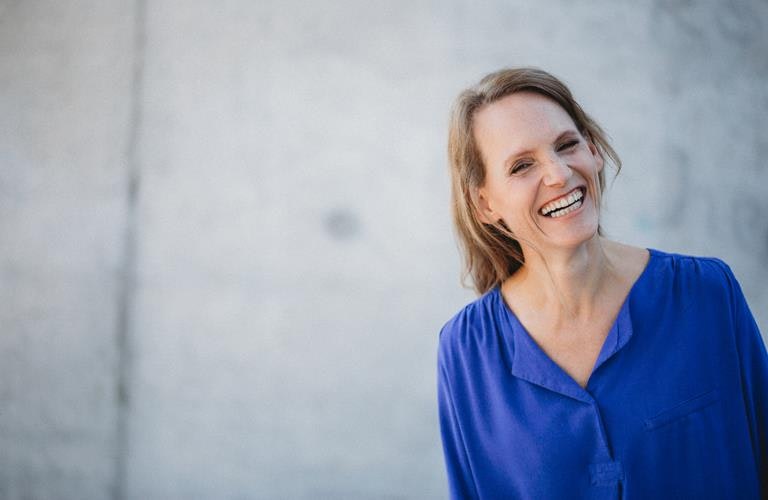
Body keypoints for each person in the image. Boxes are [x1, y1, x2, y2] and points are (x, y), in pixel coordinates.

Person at [437, 67, 768, 499]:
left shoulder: (706, 295)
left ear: (593, 150)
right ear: (484, 204)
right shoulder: (466, 351)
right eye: (522, 166)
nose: (558, 174)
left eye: (567, 145)